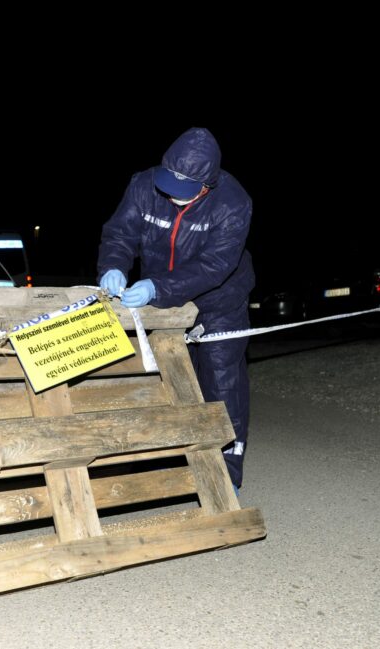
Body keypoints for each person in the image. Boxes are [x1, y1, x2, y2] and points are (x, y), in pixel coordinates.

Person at [97, 127, 254, 489]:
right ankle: (164, 469)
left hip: (219, 300)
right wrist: (114, 268)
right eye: (168, 185)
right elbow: (120, 234)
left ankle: (224, 476)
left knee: (220, 378)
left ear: (207, 185)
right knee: (162, 377)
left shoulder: (233, 202)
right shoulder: (143, 184)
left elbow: (217, 264)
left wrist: (158, 287)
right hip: (162, 302)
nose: (172, 197)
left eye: (184, 192)